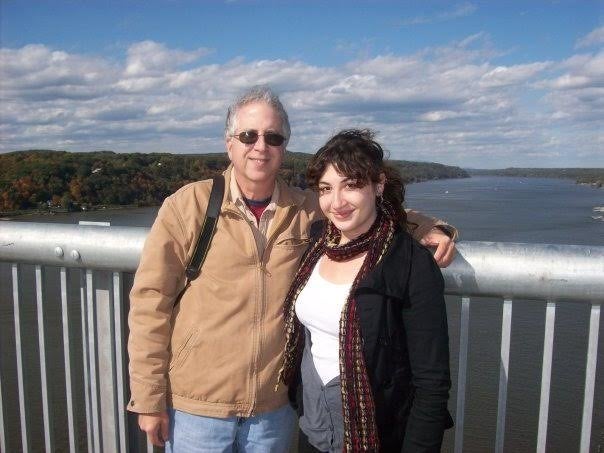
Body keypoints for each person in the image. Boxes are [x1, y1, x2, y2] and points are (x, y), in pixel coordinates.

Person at [127, 87, 456, 452]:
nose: (260, 146)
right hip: (197, 409)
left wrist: (428, 227)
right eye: (248, 135)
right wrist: (148, 399)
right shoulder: (188, 207)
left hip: (274, 410)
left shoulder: (305, 208)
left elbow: (360, 210)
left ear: (284, 146)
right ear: (229, 143)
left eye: (273, 137)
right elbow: (149, 305)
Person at [277, 129, 453, 452]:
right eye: (326, 188)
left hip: (375, 437)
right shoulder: (318, 243)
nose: (337, 202)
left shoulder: (409, 264)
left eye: (352, 185)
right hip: (313, 431)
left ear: (378, 185)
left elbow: (431, 386)